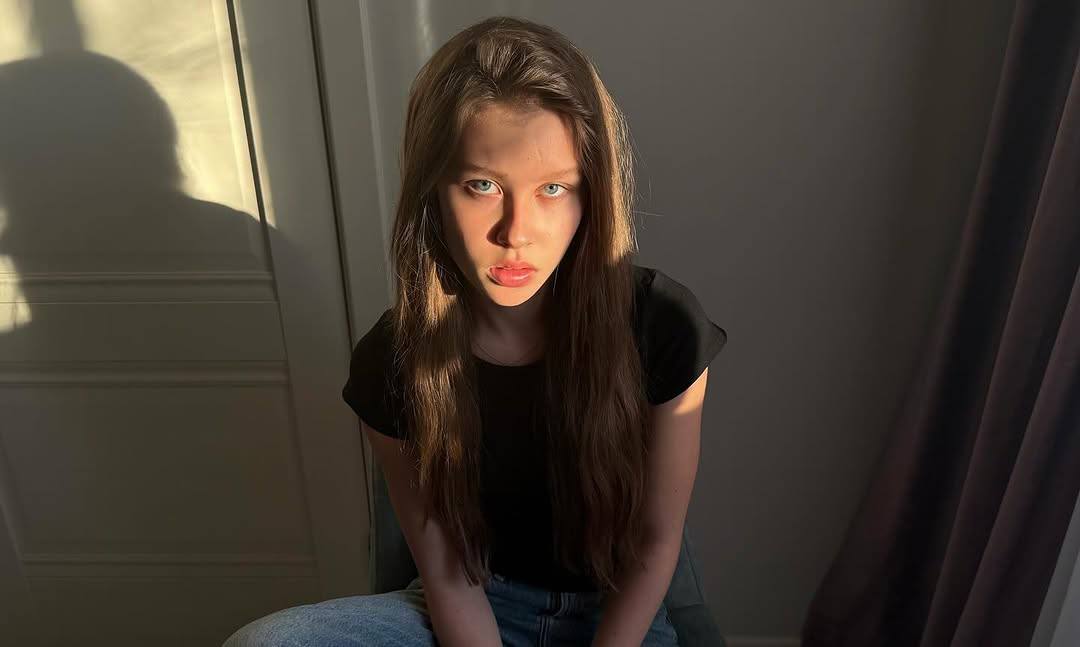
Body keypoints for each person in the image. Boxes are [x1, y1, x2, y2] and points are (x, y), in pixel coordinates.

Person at [223, 14, 726, 647]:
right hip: (475, 606)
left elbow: (655, 545)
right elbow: (447, 575)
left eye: (553, 188)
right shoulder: (391, 359)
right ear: (433, 189)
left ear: (591, 196)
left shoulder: (662, 324)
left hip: (620, 612)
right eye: (482, 185)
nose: (517, 232)